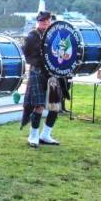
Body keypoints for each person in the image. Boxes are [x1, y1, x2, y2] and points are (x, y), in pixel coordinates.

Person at [22, 11, 60, 147]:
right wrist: (38, 61)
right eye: (43, 21)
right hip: (37, 72)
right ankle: (33, 136)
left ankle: (46, 135)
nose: (46, 23)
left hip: (52, 74)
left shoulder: (54, 34)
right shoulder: (32, 36)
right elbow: (25, 54)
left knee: (55, 106)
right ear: (38, 22)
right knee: (38, 106)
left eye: (48, 21)